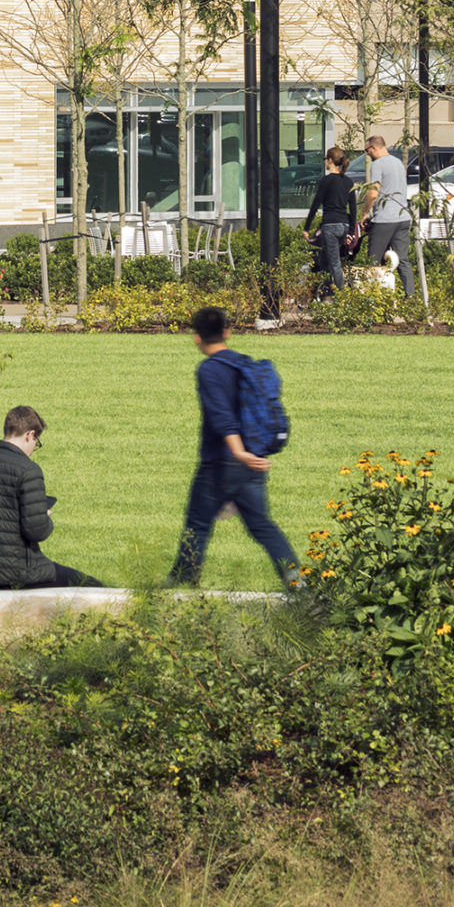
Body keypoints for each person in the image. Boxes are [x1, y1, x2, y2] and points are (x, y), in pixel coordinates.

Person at [168, 307, 300, 586]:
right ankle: (296, 580)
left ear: (197, 338)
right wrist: (248, 455)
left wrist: (238, 453)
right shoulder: (244, 364)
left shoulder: (209, 370)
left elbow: (222, 417)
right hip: (253, 460)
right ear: (227, 332)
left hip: (222, 462)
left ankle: (180, 585)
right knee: (263, 526)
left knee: (198, 525)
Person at [0, 406, 96, 588]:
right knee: (88, 584)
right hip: (14, 571)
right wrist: (44, 517)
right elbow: (37, 531)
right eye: (37, 442)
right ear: (29, 435)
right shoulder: (28, 470)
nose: (34, 447)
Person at [362, 133, 413, 299]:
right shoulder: (398, 163)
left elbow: (374, 192)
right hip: (403, 216)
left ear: (374, 148)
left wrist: (365, 213)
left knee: (374, 261)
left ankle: (374, 299)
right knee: (402, 259)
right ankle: (410, 297)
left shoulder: (378, 164)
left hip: (384, 219)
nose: (367, 154)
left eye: (367, 150)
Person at [304, 144, 355, 297]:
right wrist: (351, 232)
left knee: (334, 263)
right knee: (324, 259)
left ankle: (342, 298)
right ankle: (326, 293)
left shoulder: (326, 181)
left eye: (326, 159)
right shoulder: (348, 182)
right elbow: (353, 209)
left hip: (330, 226)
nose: (325, 162)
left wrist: (306, 228)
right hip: (344, 225)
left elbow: (315, 204)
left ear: (331, 160)